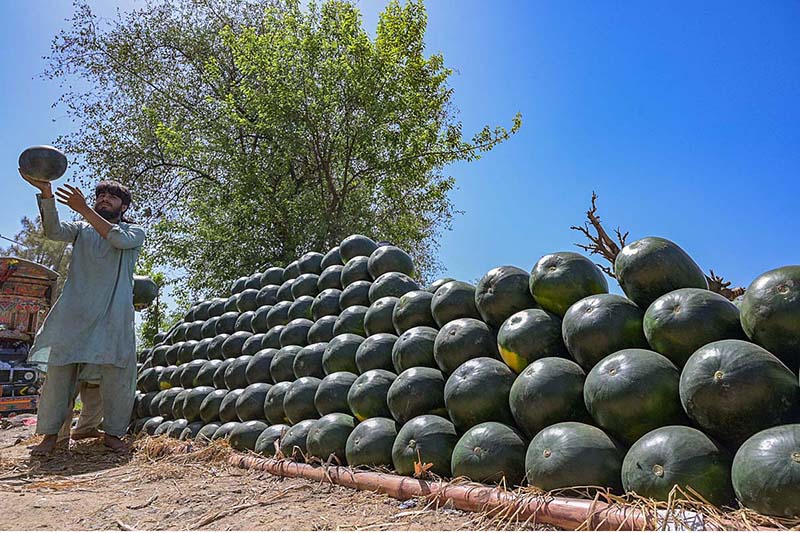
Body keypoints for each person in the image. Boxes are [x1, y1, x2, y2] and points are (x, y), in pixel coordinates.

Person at [19, 171, 145, 455]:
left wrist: (84, 208)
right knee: (60, 375)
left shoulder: (134, 232)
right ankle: (51, 437)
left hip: (113, 314)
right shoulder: (81, 228)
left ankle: (113, 434)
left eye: (111, 197)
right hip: (75, 315)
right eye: (100, 195)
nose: (104, 200)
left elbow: (117, 240)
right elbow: (53, 232)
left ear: (123, 207)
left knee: (116, 374)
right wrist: (47, 194)